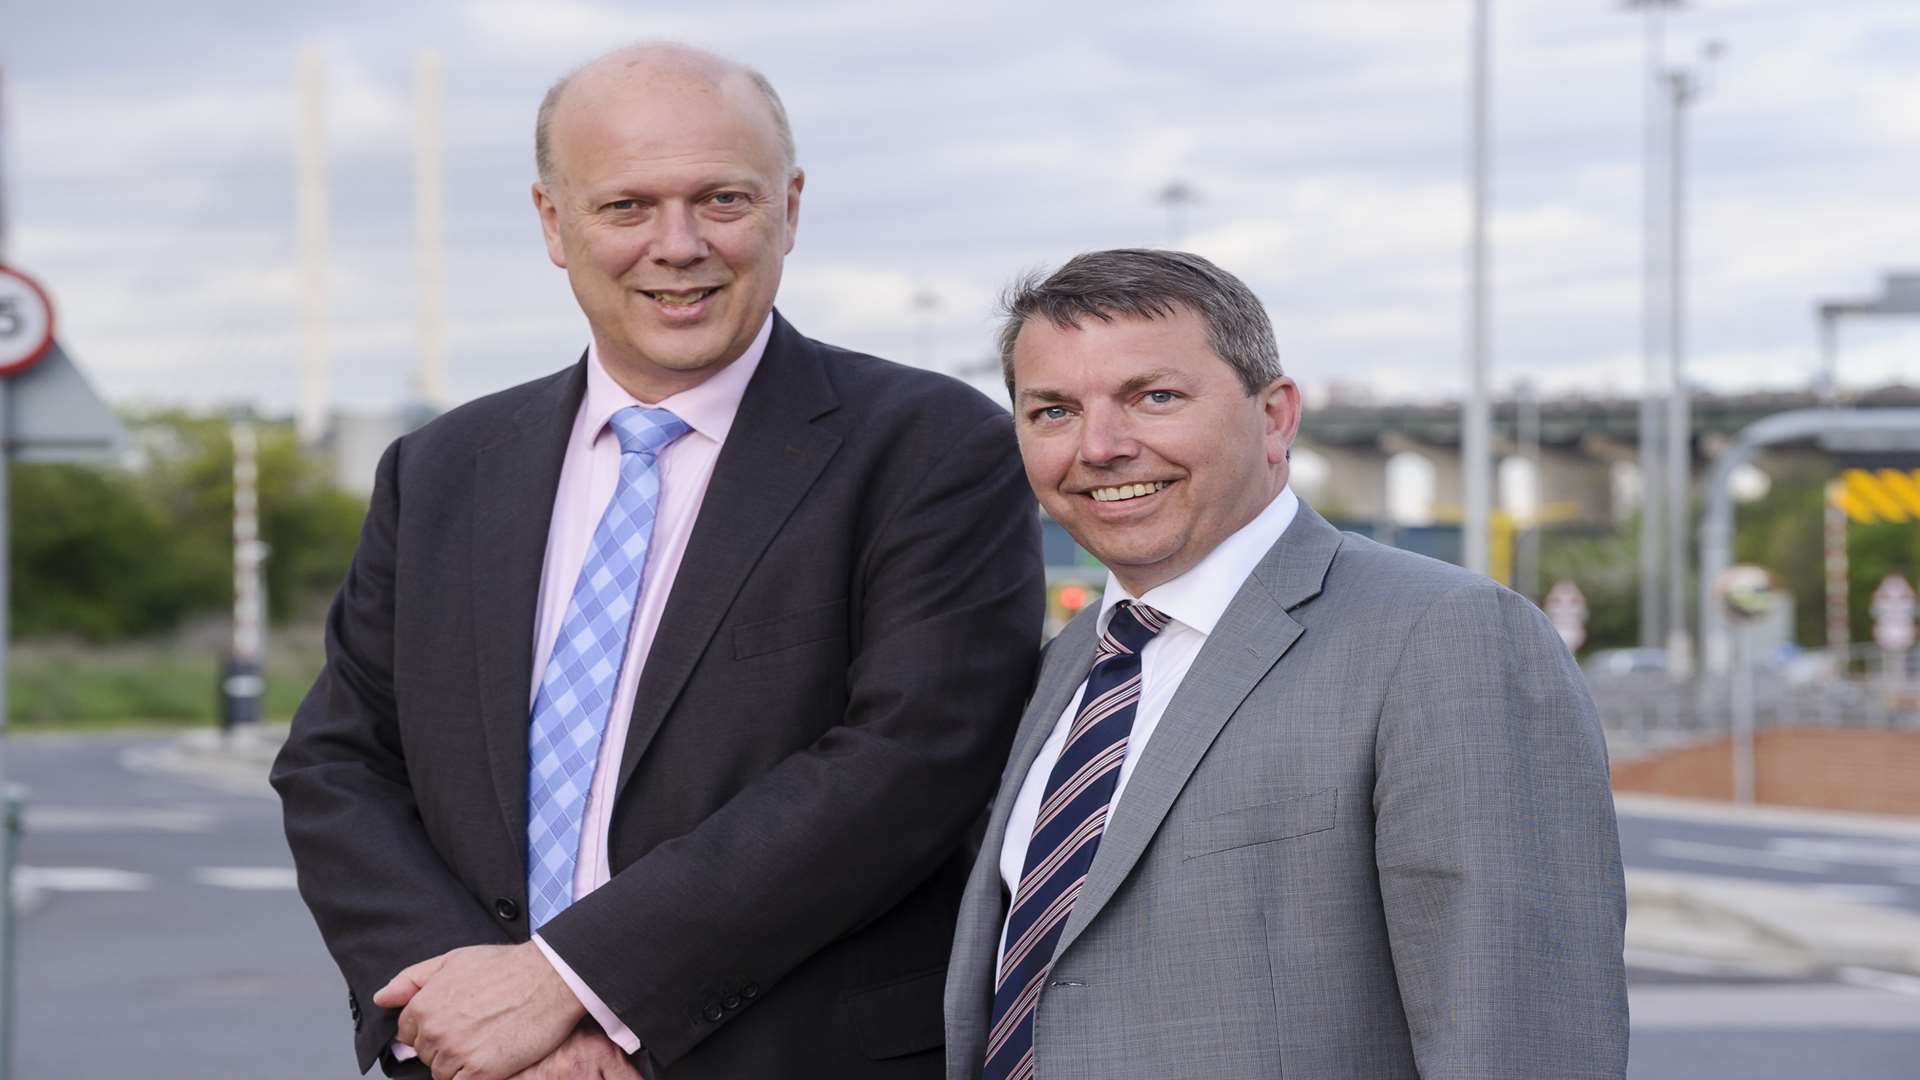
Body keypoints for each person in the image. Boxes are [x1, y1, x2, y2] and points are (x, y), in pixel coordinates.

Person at [273, 43, 1043, 1080]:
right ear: (554, 222)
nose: (676, 246)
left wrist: (570, 981)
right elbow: (339, 761)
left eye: (721, 199)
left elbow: (911, 761)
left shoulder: (932, 449)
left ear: (791, 208)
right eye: (627, 206)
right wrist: (464, 1008)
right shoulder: (443, 469)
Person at [943, 249, 1627, 1080]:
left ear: (1275, 417)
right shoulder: (1067, 669)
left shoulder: (1447, 637)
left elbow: (1519, 1039)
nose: (1101, 447)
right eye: (1052, 411)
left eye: (1154, 398)